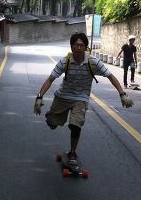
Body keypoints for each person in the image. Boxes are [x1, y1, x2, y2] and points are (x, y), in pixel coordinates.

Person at [33, 32, 133, 166]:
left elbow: (110, 76)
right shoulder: (65, 61)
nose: (79, 48)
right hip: (63, 96)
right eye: (76, 45)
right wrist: (39, 97)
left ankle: (72, 152)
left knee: (75, 125)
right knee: (52, 124)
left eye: (82, 45)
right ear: (72, 47)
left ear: (86, 47)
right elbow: (50, 79)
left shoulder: (93, 62)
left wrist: (122, 94)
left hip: (81, 98)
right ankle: (50, 116)